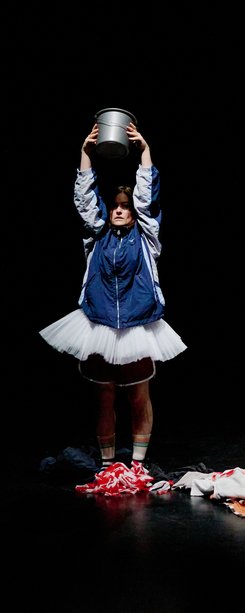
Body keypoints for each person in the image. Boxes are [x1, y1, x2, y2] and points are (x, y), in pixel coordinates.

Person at [39, 121, 186, 469]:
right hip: (100, 323)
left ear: (134, 213)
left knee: (138, 396)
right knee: (103, 397)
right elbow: (85, 201)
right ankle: (107, 467)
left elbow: (148, 198)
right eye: (115, 205)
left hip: (137, 325)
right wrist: (85, 155)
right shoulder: (97, 235)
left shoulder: (148, 237)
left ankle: (135, 466)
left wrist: (145, 153)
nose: (119, 209)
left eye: (125, 205)